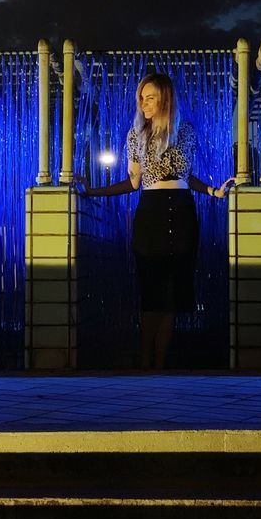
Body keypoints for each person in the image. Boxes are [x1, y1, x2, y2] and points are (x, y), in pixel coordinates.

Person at [82, 72, 234, 369]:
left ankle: (160, 363)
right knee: (152, 291)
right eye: (141, 97)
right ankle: (144, 359)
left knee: (173, 295)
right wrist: (93, 191)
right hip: (150, 211)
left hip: (181, 210)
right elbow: (133, 182)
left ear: (165, 99)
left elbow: (186, 176)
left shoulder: (185, 132)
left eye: (150, 97)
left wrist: (214, 191)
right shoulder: (135, 135)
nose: (143, 103)